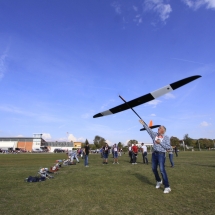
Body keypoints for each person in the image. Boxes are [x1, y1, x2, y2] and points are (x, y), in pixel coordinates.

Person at [139, 119, 172, 194]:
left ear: (163, 130)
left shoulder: (166, 137)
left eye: (160, 128)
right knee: (153, 168)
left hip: (161, 154)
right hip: (154, 154)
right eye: (158, 128)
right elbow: (148, 130)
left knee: (162, 170)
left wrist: (160, 143)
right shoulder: (154, 135)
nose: (158, 128)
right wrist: (143, 123)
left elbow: (168, 147)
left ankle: (167, 186)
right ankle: (158, 181)